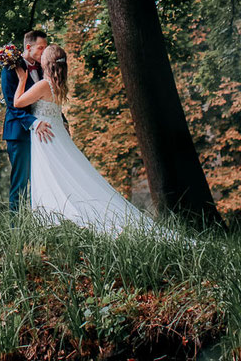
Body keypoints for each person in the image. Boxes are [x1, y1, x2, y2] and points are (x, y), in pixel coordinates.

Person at [13, 44, 155, 233]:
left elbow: (17, 103)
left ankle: (54, 220)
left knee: (50, 174)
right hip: (55, 132)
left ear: (47, 62)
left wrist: (22, 78)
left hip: (45, 136)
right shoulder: (59, 85)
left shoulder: (43, 85)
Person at [0, 29, 54, 211]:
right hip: (19, 133)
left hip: (43, 132)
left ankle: (41, 221)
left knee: (43, 179)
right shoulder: (10, 69)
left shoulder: (43, 68)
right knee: (20, 182)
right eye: (41, 48)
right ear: (28, 47)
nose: (44, 52)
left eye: (46, 48)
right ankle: (16, 229)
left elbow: (49, 97)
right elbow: (12, 105)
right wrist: (34, 122)